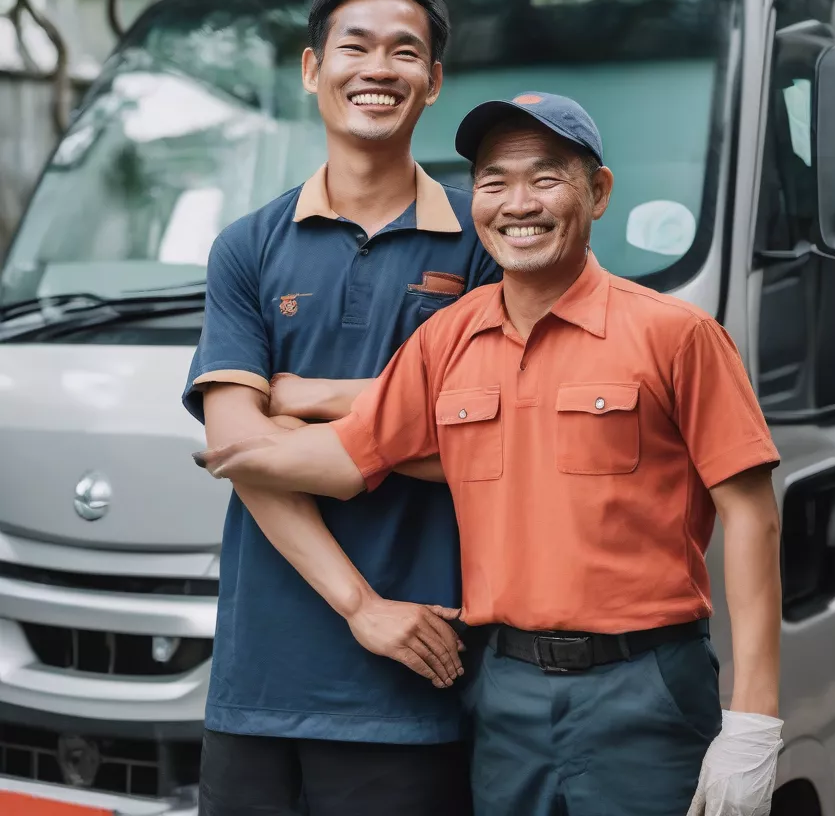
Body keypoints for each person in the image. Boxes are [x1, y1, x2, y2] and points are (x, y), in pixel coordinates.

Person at [194, 92, 785, 816]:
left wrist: (753, 721)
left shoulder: (678, 334)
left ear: (597, 194)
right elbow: (348, 461)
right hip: (505, 691)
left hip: (645, 685)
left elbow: (752, 515)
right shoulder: (448, 339)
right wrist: (241, 448)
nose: (518, 203)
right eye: (494, 182)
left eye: (546, 178)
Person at [182, 0, 500, 816]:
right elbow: (239, 448)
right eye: (354, 46)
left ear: (432, 82)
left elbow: (488, 439)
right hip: (260, 677)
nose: (378, 69)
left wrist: (312, 397)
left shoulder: (483, 241)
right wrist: (361, 606)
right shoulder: (247, 245)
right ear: (312, 67)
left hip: (414, 679)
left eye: (405, 52)